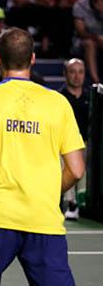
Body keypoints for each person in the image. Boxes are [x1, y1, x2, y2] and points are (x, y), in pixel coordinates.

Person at [0, 28, 86, 285]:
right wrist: (47, 191)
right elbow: (77, 169)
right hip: (44, 218)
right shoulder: (58, 103)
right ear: (33, 59)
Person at [59, 58, 90, 221]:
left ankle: (83, 202)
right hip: (64, 145)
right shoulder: (59, 98)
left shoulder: (91, 98)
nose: (77, 76)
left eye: (80, 72)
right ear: (65, 74)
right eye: (72, 72)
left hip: (87, 144)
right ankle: (70, 203)